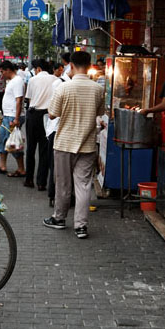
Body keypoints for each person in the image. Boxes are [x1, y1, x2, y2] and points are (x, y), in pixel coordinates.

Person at [44, 51, 106, 239]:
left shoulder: (64, 88)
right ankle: (81, 226)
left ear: (71, 65)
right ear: (89, 65)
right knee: (84, 185)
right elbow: (100, 112)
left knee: (63, 183)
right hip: (87, 144)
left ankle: (59, 218)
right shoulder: (98, 89)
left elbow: (52, 114)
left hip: (64, 143)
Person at [23, 59, 56, 190]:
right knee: (44, 150)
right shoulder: (56, 80)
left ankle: (29, 179)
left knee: (30, 149)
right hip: (48, 116)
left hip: (33, 115)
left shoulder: (33, 80)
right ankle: (42, 182)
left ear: (38, 69)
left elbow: (29, 99)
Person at [45, 60, 70, 207]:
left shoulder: (70, 84)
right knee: (55, 165)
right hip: (56, 129)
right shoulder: (58, 84)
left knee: (65, 166)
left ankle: (64, 197)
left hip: (66, 129)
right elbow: (52, 113)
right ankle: (53, 195)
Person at [0, 61, 26, 177]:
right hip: (8, 116)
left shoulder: (17, 81)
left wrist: (16, 119)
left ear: (8, 69)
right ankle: (2, 166)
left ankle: (21, 169)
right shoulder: (13, 81)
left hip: (13, 117)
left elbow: (19, 100)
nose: (2, 74)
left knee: (13, 143)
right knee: (3, 140)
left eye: (2, 71)